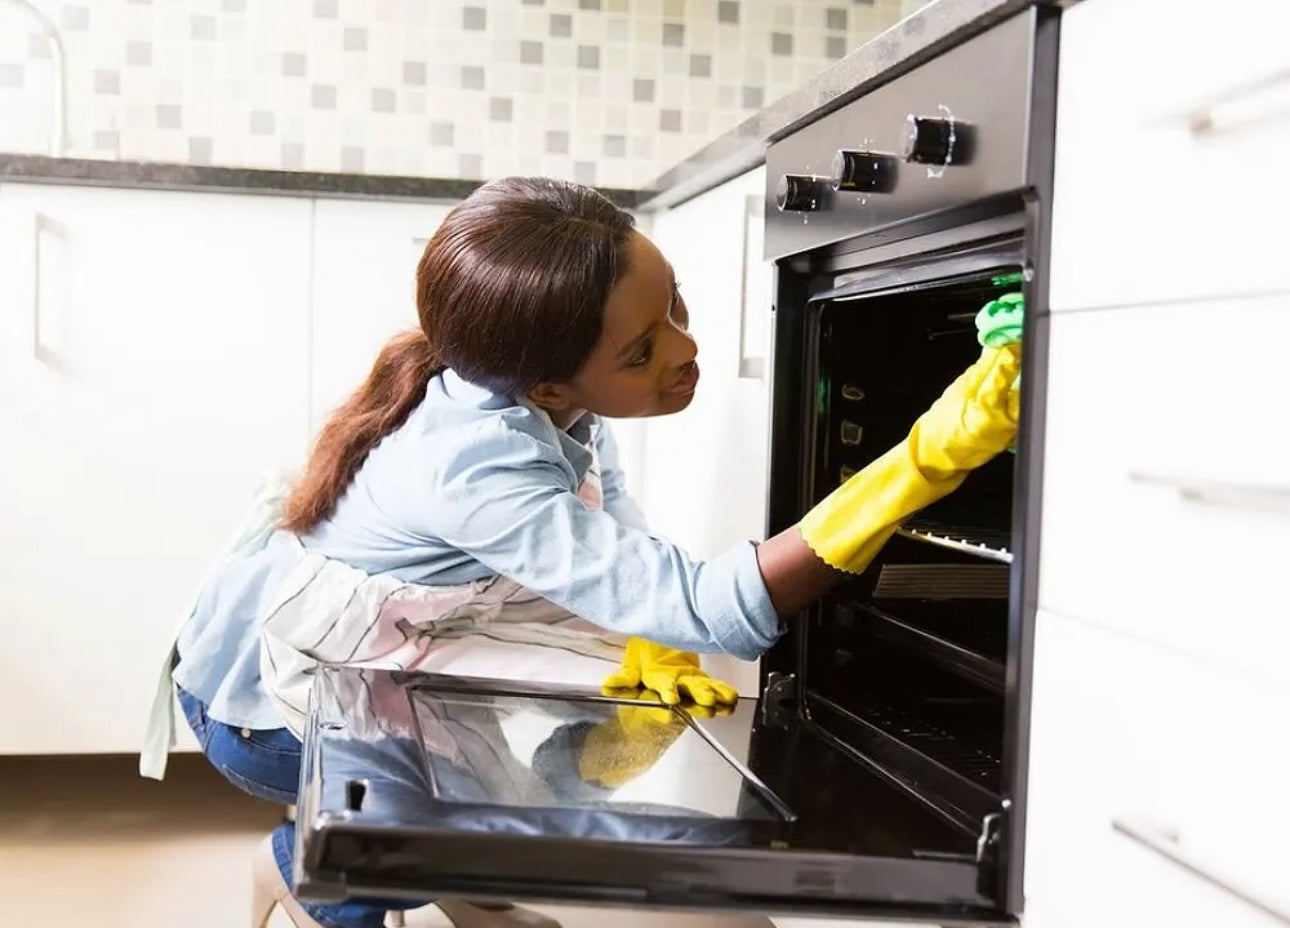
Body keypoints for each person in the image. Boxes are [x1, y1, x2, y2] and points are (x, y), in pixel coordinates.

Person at [140, 176, 1021, 928]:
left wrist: (644, 620)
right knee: (382, 813)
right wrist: (923, 461)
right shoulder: (471, 462)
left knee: (519, 745)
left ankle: (452, 883)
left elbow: (615, 524)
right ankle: (299, 876)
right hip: (266, 711)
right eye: (643, 352)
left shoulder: (542, 392)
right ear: (550, 383)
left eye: (674, 303)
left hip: (383, 651)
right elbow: (714, 606)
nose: (686, 350)